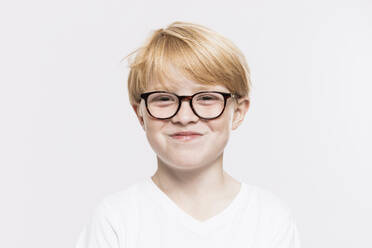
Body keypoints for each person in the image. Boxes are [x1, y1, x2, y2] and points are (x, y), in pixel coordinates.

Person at [75, 21, 301, 248]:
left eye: (206, 98)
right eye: (163, 98)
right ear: (140, 114)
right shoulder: (115, 220)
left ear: (238, 112)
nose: (184, 117)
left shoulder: (270, 220)